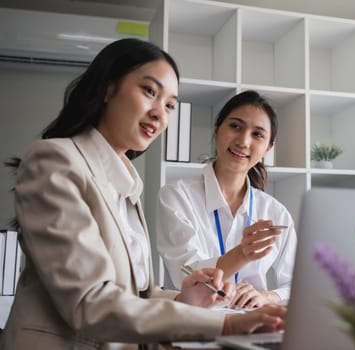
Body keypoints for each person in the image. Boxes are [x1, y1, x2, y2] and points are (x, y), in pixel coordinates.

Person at [0, 39, 285, 350]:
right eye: (150, 92)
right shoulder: (55, 160)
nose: (159, 114)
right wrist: (227, 323)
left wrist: (183, 298)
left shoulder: (127, 183)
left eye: (169, 105)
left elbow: (136, 296)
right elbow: (90, 303)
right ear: (108, 88)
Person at [157, 90, 297, 309]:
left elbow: (296, 285)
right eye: (235, 127)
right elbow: (186, 274)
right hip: (193, 325)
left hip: (254, 326)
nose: (243, 141)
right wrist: (242, 254)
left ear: (269, 148)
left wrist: (267, 296)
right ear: (217, 130)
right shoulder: (177, 197)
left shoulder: (276, 213)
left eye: (257, 134)